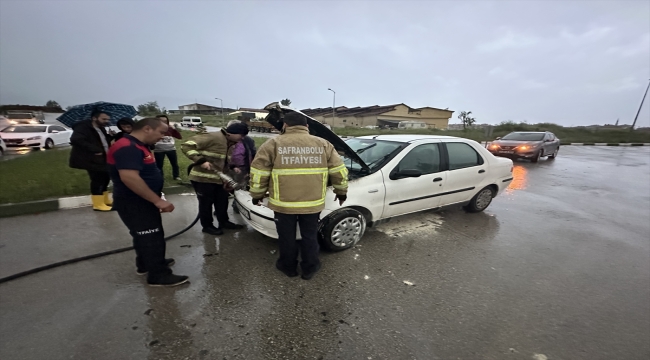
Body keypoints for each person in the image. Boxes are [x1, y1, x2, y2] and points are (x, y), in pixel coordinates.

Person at [249, 111, 348, 280]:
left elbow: (259, 173)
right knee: (309, 236)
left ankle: (288, 267)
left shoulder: (272, 144)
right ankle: (310, 268)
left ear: (285, 125)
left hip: (283, 205)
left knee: (287, 238)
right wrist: (341, 192)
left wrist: (257, 195)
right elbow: (339, 172)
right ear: (307, 126)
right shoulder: (323, 144)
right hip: (312, 204)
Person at [107, 117, 189, 287]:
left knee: (145, 235)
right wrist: (158, 201)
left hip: (141, 200)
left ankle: (146, 263)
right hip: (134, 202)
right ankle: (158, 275)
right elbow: (129, 177)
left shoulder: (138, 145)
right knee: (151, 237)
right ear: (147, 129)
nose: (162, 136)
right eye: (160, 132)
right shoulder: (127, 147)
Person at [181, 122, 249, 235]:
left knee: (222, 202)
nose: (242, 138)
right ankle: (207, 226)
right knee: (206, 204)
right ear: (231, 133)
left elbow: (222, 160)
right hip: (203, 179)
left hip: (219, 179)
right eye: (241, 135)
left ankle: (224, 222)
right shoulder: (213, 137)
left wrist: (232, 167)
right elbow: (186, 145)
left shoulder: (231, 143)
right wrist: (200, 161)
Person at [69, 109, 114, 211]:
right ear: (94, 118)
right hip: (91, 159)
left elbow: (102, 142)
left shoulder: (101, 128)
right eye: (104, 119)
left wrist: (111, 136)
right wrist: (94, 149)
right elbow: (76, 139)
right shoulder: (83, 127)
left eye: (107, 119)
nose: (106, 121)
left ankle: (105, 200)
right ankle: (98, 204)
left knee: (105, 178)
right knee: (98, 180)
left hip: (103, 158)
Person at [153, 114, 182, 181]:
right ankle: (160, 177)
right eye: (161, 121)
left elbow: (179, 137)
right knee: (159, 165)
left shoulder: (170, 129)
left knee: (174, 163)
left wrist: (174, 129)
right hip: (159, 150)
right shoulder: (154, 129)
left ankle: (176, 176)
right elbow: (150, 139)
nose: (164, 123)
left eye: (165, 121)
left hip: (171, 149)